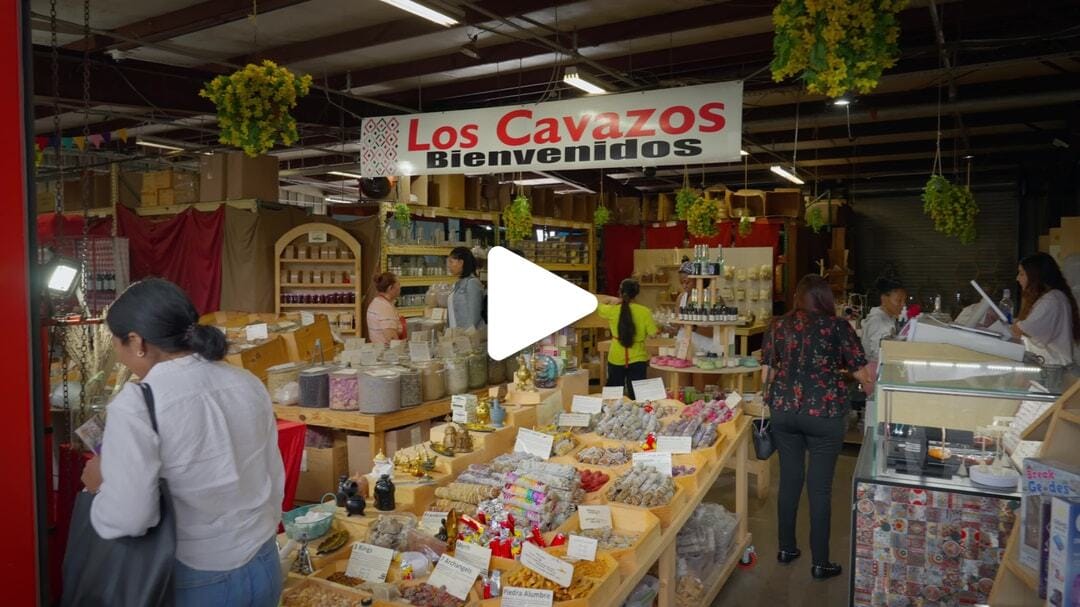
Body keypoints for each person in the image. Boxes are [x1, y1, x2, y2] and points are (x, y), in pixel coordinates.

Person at [80, 279, 284, 606]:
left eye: (117, 345)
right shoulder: (245, 382)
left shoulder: (137, 405)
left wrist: (102, 486)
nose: (119, 357)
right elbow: (273, 474)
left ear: (137, 341)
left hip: (196, 577)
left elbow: (131, 517)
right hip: (264, 562)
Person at [761, 274, 873, 580]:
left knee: (789, 480)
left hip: (784, 410)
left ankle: (786, 548)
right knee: (820, 489)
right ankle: (820, 562)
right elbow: (862, 374)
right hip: (824, 412)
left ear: (797, 296)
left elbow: (767, 373)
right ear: (826, 298)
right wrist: (871, 387)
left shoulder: (778, 325)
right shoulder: (837, 327)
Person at [1010, 252, 1080, 366]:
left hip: (1053, 366)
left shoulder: (1051, 300)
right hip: (1048, 363)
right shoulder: (1050, 297)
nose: (1017, 278)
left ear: (1035, 276)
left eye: (1022, 274)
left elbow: (1022, 329)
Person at [598, 278, 658, 399]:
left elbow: (598, 305)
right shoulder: (645, 312)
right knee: (639, 397)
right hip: (638, 358)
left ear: (620, 292)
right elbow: (653, 334)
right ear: (636, 294)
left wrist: (611, 300)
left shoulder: (612, 310)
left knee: (613, 396)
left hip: (616, 357)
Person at [861, 277, 907, 363]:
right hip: (875, 368)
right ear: (884, 299)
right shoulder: (877, 321)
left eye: (904, 300)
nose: (903, 305)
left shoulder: (889, 317)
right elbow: (878, 353)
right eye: (899, 300)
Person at [447, 246, 485, 330]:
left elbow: (473, 317)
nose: (448, 265)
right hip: (456, 336)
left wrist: (464, 337)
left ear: (461, 262)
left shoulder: (472, 283)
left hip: (466, 338)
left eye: (451, 262)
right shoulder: (459, 283)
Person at [367, 271, 403, 345]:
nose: (400, 287)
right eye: (398, 284)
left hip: (378, 350)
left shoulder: (376, 301)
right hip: (386, 353)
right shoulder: (385, 307)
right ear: (390, 288)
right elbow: (392, 340)